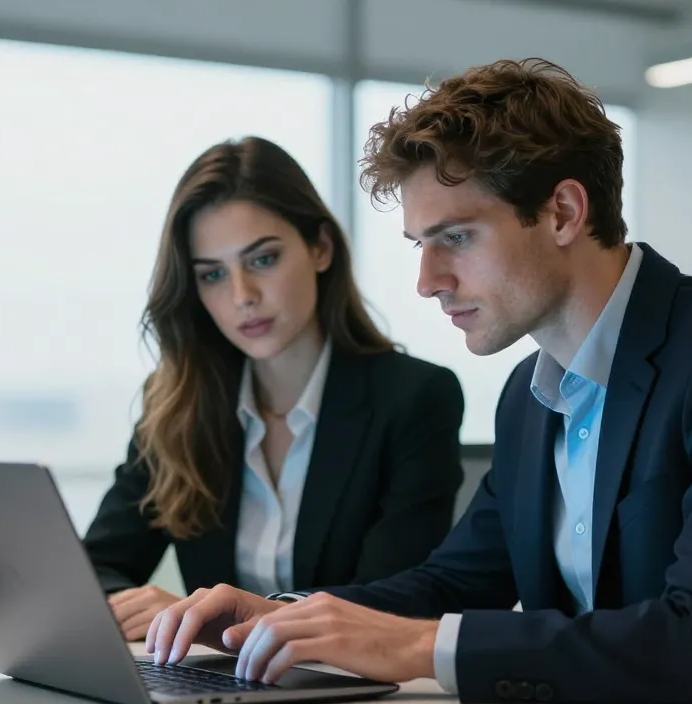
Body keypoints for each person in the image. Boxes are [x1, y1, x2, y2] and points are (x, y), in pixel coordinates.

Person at [144, 61, 692, 704]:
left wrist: (419, 648)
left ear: (563, 213)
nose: (428, 281)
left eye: (456, 237)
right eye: (421, 244)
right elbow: (452, 582)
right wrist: (279, 616)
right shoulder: (529, 395)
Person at [83, 136, 466, 641]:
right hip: (212, 683)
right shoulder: (178, 405)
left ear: (320, 248)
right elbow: (96, 569)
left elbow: (397, 600)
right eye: (213, 274)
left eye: (262, 260)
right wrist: (162, 618)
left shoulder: (415, 398)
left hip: (344, 681)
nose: (242, 296)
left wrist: (227, 622)